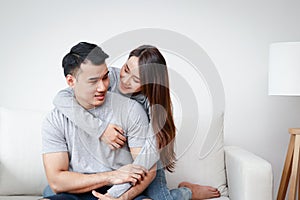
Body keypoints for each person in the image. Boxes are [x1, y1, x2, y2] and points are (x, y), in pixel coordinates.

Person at [53, 44, 221, 200]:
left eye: (137, 80)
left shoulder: (154, 107)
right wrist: (101, 130)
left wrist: (115, 196)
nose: (126, 80)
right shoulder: (108, 77)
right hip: (120, 159)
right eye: (126, 70)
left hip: (146, 153)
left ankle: (188, 191)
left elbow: (144, 161)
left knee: (162, 198)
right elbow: (61, 98)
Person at [42, 42, 157, 200]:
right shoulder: (56, 118)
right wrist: (111, 176)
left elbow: (148, 167)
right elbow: (56, 181)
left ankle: (186, 192)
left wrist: (118, 197)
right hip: (77, 190)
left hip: (122, 189)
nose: (103, 87)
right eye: (93, 81)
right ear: (71, 82)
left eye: (105, 77)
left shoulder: (133, 109)